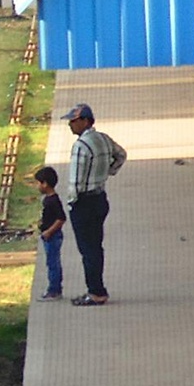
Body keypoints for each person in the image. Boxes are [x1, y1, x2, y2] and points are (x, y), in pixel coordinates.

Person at [61, 103, 126, 306]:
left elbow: (76, 182)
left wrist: (71, 203)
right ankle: (97, 288)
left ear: (86, 121)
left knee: (87, 250)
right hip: (99, 198)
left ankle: (96, 292)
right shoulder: (103, 139)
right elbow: (121, 155)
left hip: (84, 203)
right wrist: (107, 172)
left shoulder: (81, 146)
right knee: (96, 247)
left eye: (74, 121)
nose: (70, 125)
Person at [32, 166, 66, 301]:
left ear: (45, 184)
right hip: (48, 236)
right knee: (51, 262)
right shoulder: (47, 199)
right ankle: (54, 288)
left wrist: (48, 231)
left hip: (53, 237)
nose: (37, 186)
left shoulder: (53, 200)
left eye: (38, 183)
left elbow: (61, 218)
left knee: (53, 264)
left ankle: (54, 290)